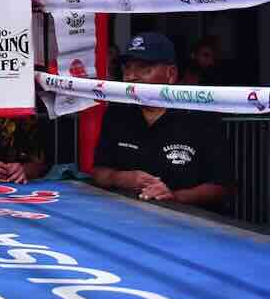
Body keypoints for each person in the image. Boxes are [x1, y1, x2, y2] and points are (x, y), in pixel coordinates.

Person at [92, 33, 233, 210]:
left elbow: (220, 187)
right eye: (127, 68)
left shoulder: (201, 117)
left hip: (187, 224)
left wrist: (175, 196)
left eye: (143, 68)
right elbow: (98, 172)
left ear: (171, 74)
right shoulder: (118, 112)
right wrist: (122, 178)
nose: (131, 77)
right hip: (126, 219)